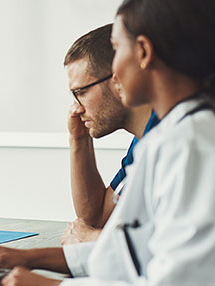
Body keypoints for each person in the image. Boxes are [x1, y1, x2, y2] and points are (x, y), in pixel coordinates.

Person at [0, 0, 215, 285]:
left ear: (143, 52)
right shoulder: (175, 137)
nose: (114, 72)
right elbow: (134, 253)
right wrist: (26, 257)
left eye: (116, 48)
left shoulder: (197, 146)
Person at [62, 24, 158, 245]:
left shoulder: (167, 137)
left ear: (118, 79)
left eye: (81, 92)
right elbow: (96, 218)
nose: (76, 108)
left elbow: (164, 246)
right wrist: (78, 140)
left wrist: (94, 238)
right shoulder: (141, 141)